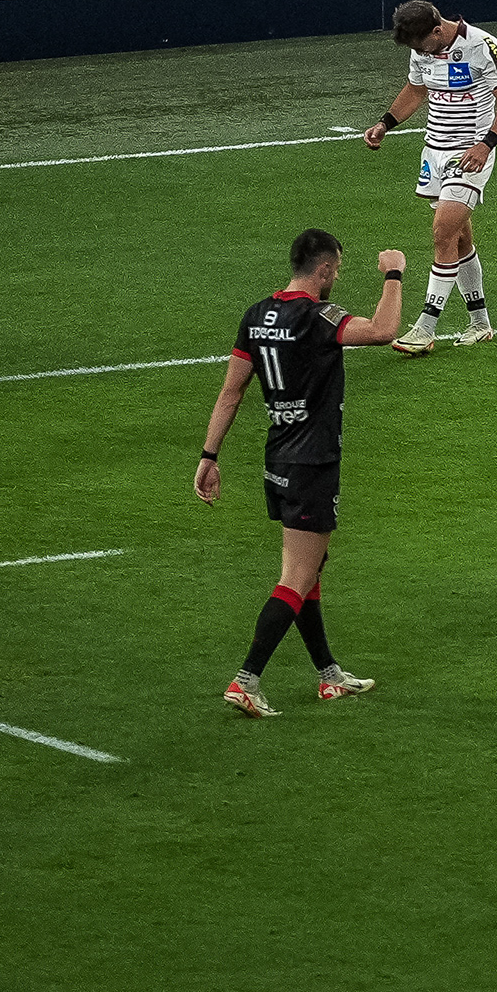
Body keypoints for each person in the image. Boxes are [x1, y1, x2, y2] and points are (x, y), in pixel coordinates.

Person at [194, 226, 407, 717]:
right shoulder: (318, 316)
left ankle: (329, 675)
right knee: (296, 577)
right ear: (325, 269)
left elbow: (231, 393)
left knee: (310, 570)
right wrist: (394, 274)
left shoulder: (256, 315)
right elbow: (383, 330)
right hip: (313, 462)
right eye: (338, 270)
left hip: (278, 458)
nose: (337, 278)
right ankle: (246, 681)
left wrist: (209, 455)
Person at [358, 0, 497, 352]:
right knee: (459, 240)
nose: (419, 52)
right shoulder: (422, 49)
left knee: (443, 233)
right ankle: (480, 323)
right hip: (434, 152)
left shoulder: (482, 46)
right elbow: (416, 90)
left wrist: (485, 146)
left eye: (422, 45)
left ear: (437, 29)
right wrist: (385, 124)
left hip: (469, 154)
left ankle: (425, 328)